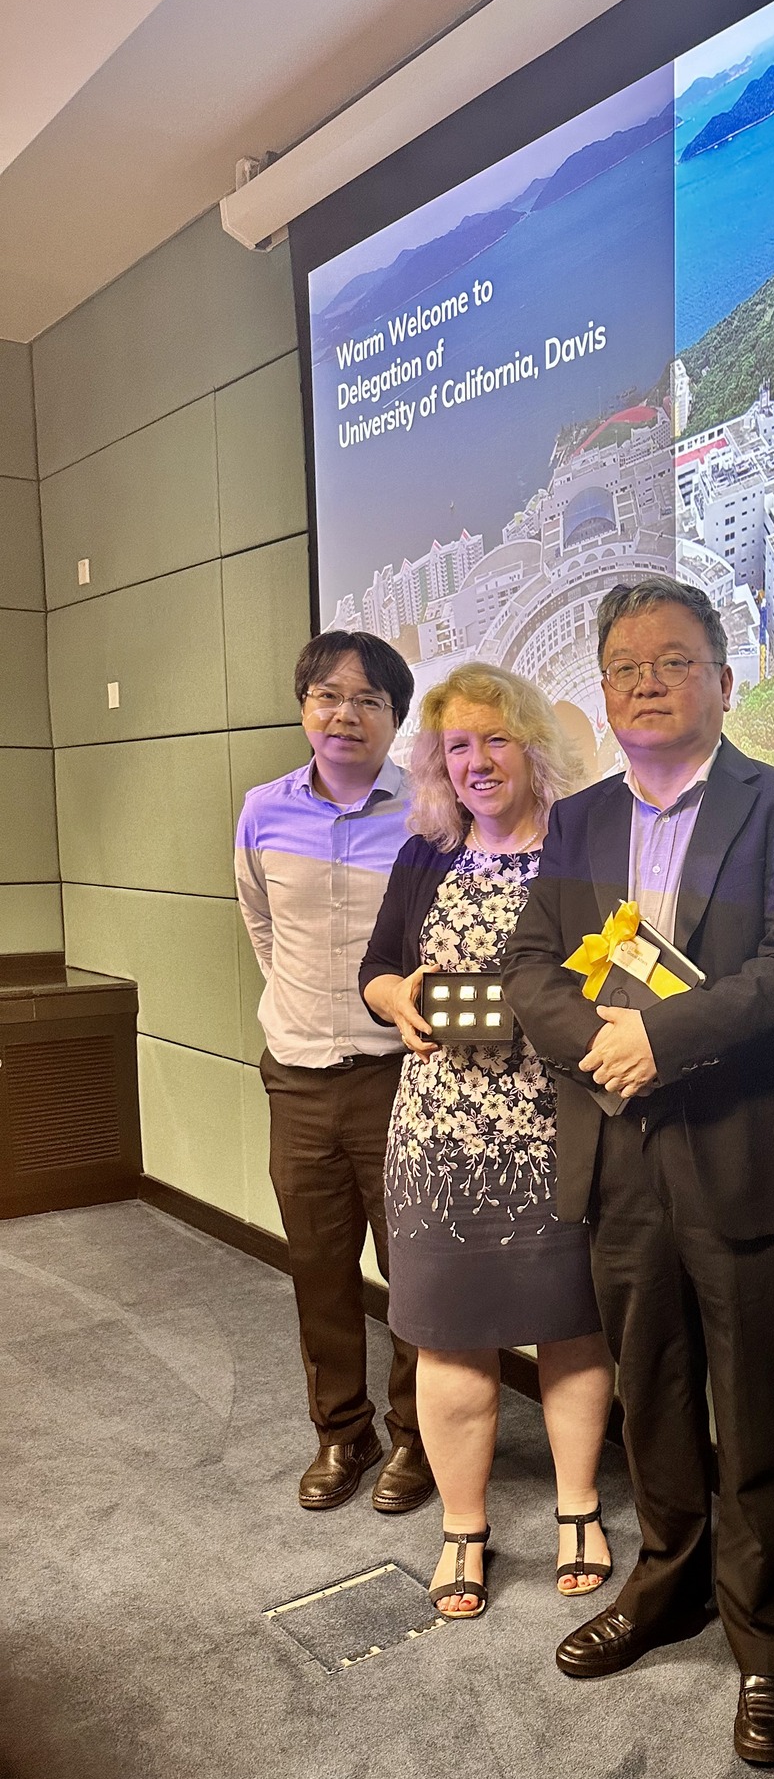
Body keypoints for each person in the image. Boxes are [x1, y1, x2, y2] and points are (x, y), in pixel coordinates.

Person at [504, 575, 774, 1765]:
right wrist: (601, 1047)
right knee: (650, 1389)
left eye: (673, 660)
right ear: (603, 691)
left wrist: (664, 1037)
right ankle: (668, 1582)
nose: (647, 682)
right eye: (626, 667)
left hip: (741, 1152)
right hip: (614, 1148)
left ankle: (772, 1641)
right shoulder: (582, 819)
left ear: (724, 680)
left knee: (758, 1403)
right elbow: (533, 964)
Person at [360, 664, 615, 1617]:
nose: (477, 762)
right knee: (448, 1338)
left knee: (569, 1323)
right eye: (457, 746)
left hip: (556, 1128)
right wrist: (400, 997)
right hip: (436, 1136)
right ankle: (464, 1528)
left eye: (496, 739)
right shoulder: (426, 853)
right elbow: (377, 969)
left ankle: (578, 1508)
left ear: (533, 747)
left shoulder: (585, 848)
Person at [235, 629, 431, 1515]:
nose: (345, 714)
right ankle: (341, 1432)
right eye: (327, 696)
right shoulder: (261, 810)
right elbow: (263, 932)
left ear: (396, 718)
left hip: (400, 1077)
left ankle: (418, 1439)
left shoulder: (428, 814)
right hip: (300, 1076)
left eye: (368, 701)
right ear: (304, 705)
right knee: (318, 1268)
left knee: (415, 1270)